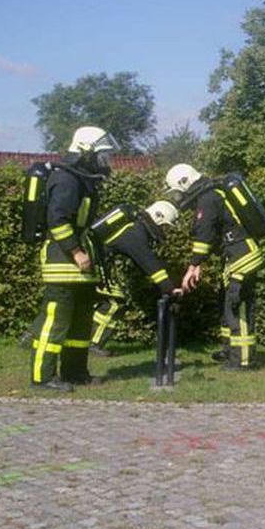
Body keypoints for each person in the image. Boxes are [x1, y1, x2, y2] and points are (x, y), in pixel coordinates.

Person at [29, 126, 118, 391]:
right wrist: (77, 252)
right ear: (86, 151)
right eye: (102, 155)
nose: (106, 161)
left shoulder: (82, 179)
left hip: (79, 263)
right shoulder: (66, 179)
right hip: (63, 261)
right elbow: (57, 221)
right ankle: (42, 377)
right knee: (54, 321)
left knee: (80, 322)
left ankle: (75, 372)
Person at [165, 163, 265, 370]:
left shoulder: (208, 197)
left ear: (185, 182)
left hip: (242, 257)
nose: (179, 198)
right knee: (227, 306)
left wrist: (193, 265)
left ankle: (243, 360)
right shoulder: (212, 194)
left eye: (177, 192)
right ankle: (229, 351)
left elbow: (204, 234)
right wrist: (197, 266)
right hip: (237, 255)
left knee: (238, 308)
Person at [88, 201, 184, 355]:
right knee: (114, 303)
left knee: (107, 302)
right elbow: (150, 263)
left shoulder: (134, 228)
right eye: (164, 226)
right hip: (96, 266)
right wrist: (169, 288)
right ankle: (92, 342)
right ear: (158, 218)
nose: (163, 230)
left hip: (97, 265)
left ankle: (88, 340)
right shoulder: (135, 234)